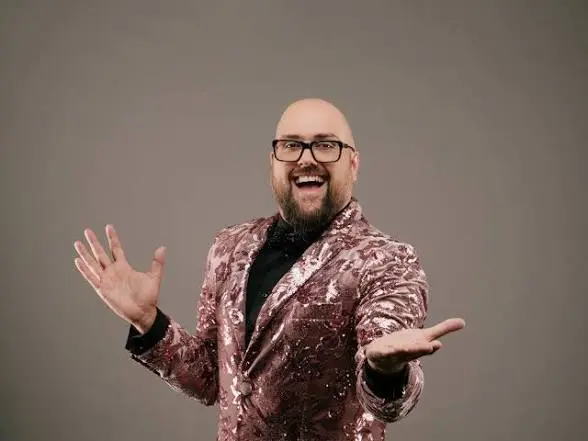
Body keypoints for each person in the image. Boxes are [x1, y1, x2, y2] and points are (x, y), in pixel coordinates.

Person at [73, 98, 465, 441]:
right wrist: (148, 321)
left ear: (353, 163)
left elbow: (388, 401)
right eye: (291, 145)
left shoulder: (387, 260)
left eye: (325, 145)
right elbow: (210, 379)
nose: (306, 158)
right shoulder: (229, 246)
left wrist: (385, 370)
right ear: (273, 162)